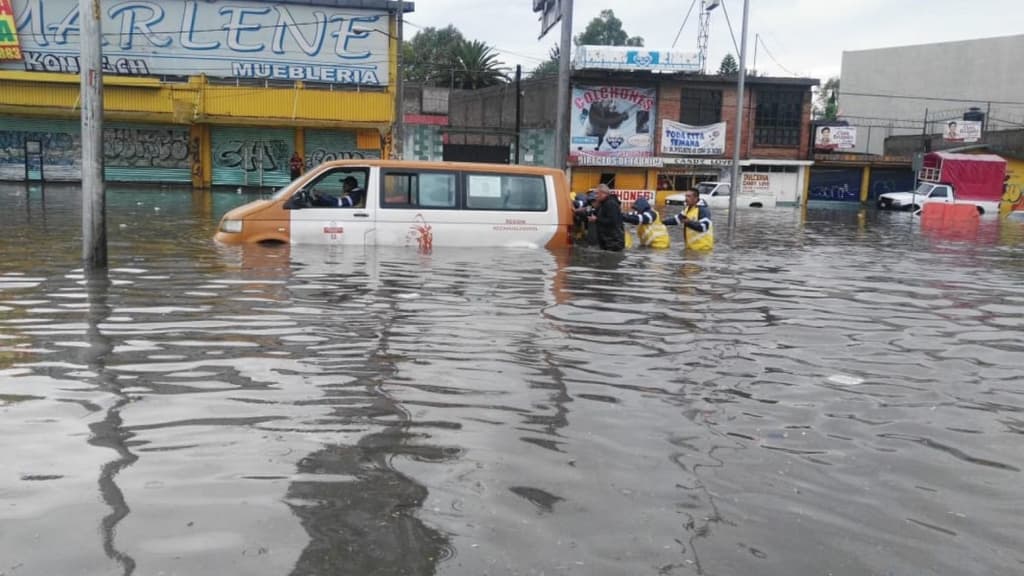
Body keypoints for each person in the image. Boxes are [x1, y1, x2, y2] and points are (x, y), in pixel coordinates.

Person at [587, 184, 625, 251]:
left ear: (603, 193)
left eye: (597, 193)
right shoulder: (602, 204)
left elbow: (613, 221)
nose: (595, 196)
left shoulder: (611, 204)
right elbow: (594, 213)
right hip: (606, 240)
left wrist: (596, 220)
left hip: (613, 242)